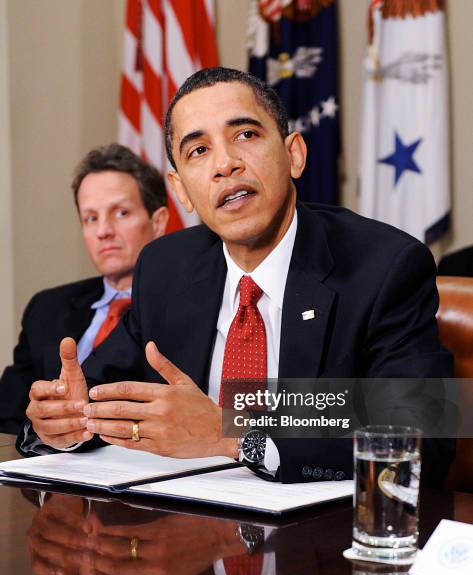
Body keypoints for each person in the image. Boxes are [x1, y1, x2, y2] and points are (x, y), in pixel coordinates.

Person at [22, 68, 454, 485]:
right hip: (190, 538)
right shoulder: (165, 269)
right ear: (181, 191)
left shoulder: (383, 266)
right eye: (198, 150)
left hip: (316, 546)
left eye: (245, 135)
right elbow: (98, 396)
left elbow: (422, 436)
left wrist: (232, 432)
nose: (225, 164)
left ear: (294, 155)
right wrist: (65, 421)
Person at [1, 143, 168, 435]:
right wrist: (42, 427)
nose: (103, 231)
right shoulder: (46, 308)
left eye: (121, 213)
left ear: (158, 222)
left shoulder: (191, 304)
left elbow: (250, 421)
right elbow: (7, 418)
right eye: (91, 218)